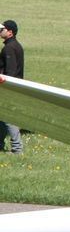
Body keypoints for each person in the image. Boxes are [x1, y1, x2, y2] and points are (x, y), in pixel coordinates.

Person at [0, 20, 25, 153]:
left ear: (10, 32)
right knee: (2, 118)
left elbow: (11, 72)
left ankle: (17, 148)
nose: (0, 32)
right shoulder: (16, 46)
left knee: (9, 119)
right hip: (13, 88)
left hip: (9, 89)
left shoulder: (9, 48)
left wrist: (6, 90)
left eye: (2, 30)